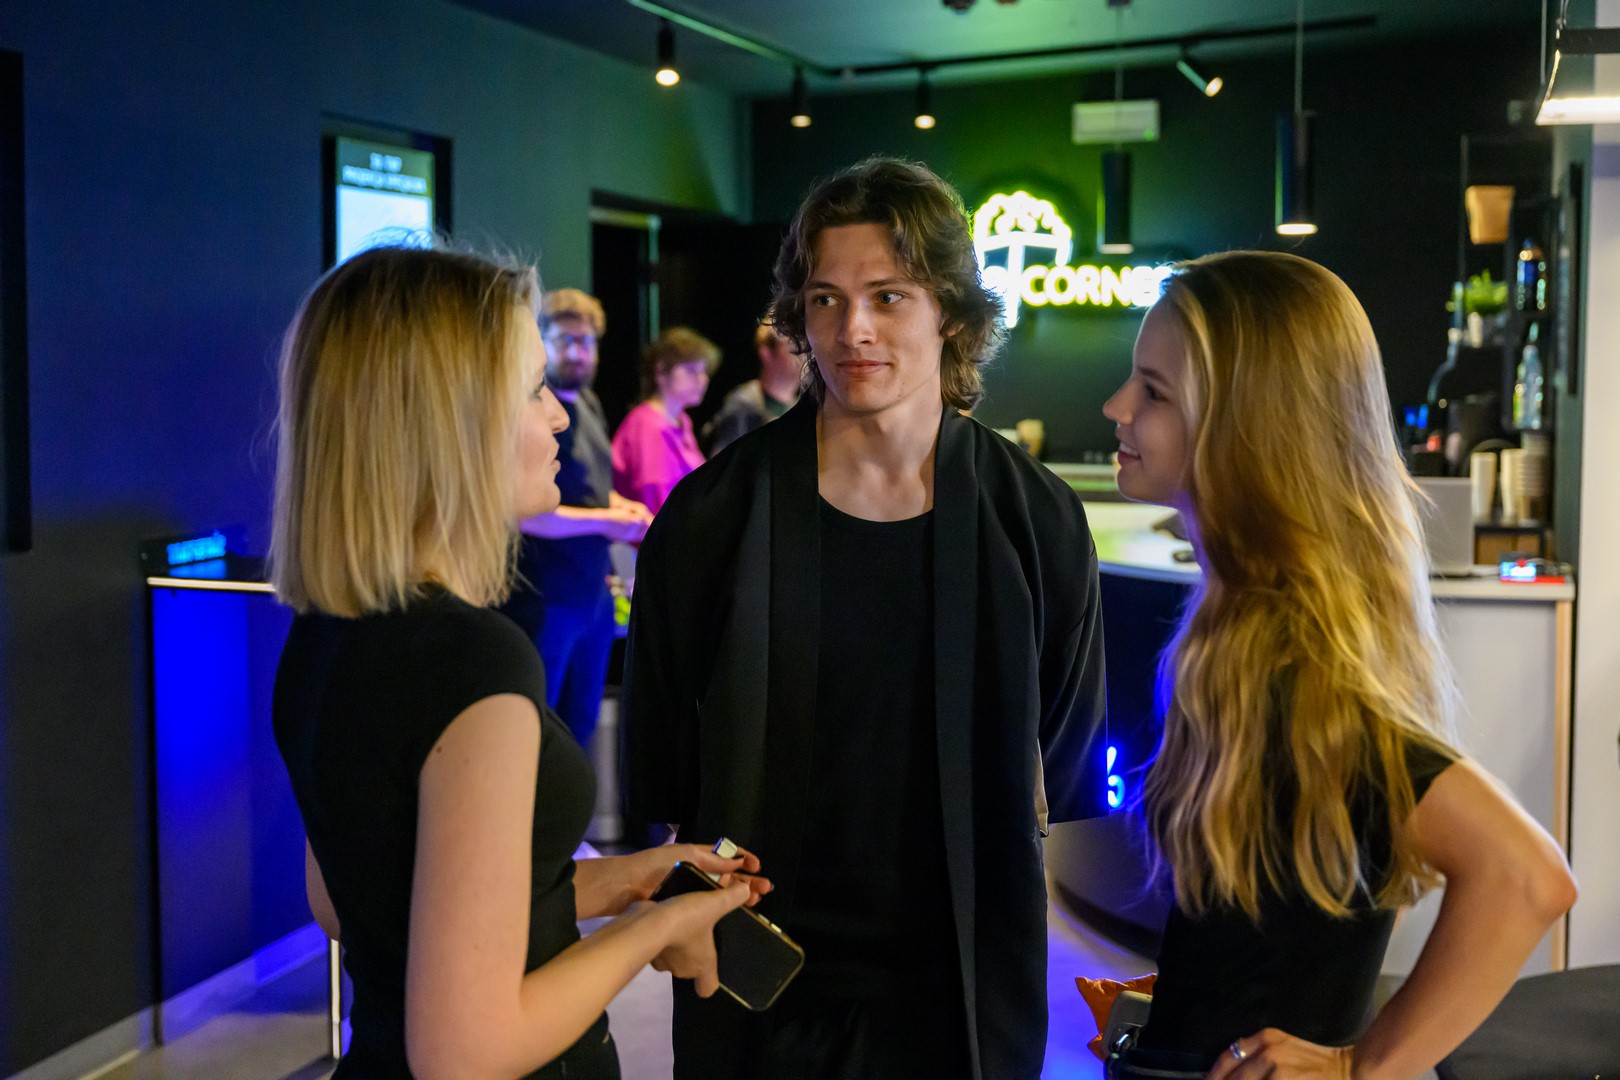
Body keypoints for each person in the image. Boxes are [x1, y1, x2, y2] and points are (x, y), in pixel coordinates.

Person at [622, 157, 1109, 1080]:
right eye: (825, 300)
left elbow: (1069, 753)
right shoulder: (714, 515)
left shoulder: (1032, 517)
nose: (853, 330)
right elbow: (662, 758)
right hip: (759, 972)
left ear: (950, 312)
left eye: (889, 297)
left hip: (966, 978)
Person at [268, 246, 769, 1079]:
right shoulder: (474, 663)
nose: (558, 419)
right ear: (453, 422)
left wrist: (628, 880)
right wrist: (656, 927)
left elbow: (357, 902)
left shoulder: (323, 631)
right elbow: (466, 1053)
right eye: (534, 389)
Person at [1099, 250, 1577, 1079]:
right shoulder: (1242, 645)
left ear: (1248, 430)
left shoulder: (1299, 673)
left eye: (1155, 392)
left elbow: (1526, 877)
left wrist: (1364, 1066)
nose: (1116, 407)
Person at [500, 288, 651, 747]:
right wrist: (607, 520)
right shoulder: (526, 415)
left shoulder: (588, 404)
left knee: (579, 730)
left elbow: (589, 488)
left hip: (593, 596)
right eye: (564, 340)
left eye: (586, 342)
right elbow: (523, 513)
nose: (577, 352)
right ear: (541, 341)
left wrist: (620, 506)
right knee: (536, 732)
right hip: (547, 596)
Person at [610, 326, 717, 515]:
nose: (702, 379)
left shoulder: (682, 420)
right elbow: (656, 504)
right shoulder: (648, 425)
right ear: (661, 372)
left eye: (704, 371)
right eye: (691, 370)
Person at [704, 321, 802, 454]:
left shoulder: (803, 409)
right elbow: (724, 464)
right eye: (795, 345)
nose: (804, 354)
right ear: (766, 352)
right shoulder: (744, 404)